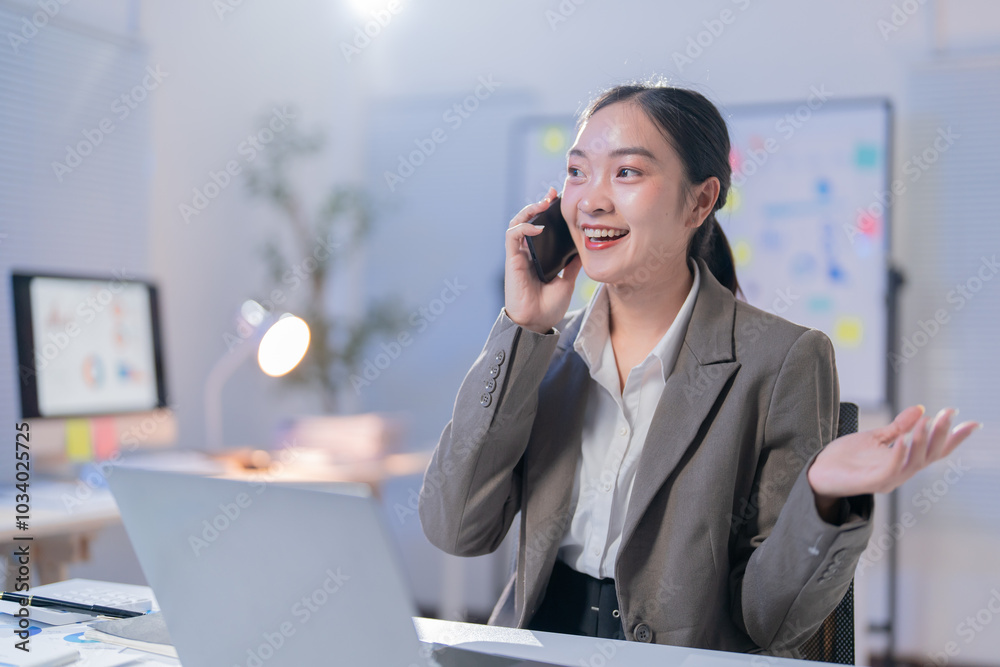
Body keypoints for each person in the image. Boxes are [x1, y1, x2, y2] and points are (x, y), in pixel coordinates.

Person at [417, 81, 981, 658]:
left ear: (699, 201)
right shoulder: (547, 351)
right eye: (578, 172)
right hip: (540, 644)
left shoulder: (784, 359)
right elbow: (456, 528)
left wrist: (823, 498)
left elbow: (771, 622)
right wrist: (522, 328)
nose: (591, 200)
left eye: (628, 173)